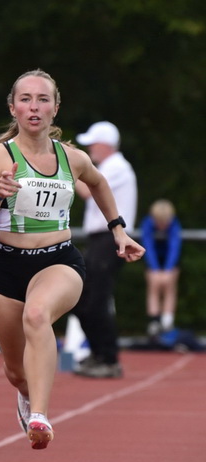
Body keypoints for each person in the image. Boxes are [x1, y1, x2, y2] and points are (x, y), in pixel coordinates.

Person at [0, 70, 143, 450]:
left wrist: (118, 229)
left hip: (59, 260)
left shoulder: (73, 158)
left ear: (55, 108)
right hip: (6, 267)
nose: (35, 106)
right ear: (13, 108)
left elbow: (98, 182)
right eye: (27, 99)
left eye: (43, 99)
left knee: (38, 314)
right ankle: (27, 396)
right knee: (16, 371)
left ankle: (40, 417)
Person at [71, 121, 138, 379]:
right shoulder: (111, 167)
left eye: (92, 144)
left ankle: (108, 358)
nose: (90, 149)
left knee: (96, 299)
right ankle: (100, 353)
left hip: (110, 239)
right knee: (82, 298)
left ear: (104, 144)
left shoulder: (117, 167)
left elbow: (88, 192)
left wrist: (71, 168)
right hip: (101, 239)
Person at [141, 199, 181, 337]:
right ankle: (154, 322)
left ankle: (167, 321)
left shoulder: (174, 223)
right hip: (153, 260)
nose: (163, 225)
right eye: (160, 222)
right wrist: (155, 269)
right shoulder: (147, 223)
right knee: (154, 286)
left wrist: (168, 270)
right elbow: (148, 246)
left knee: (169, 286)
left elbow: (174, 247)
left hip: (170, 260)